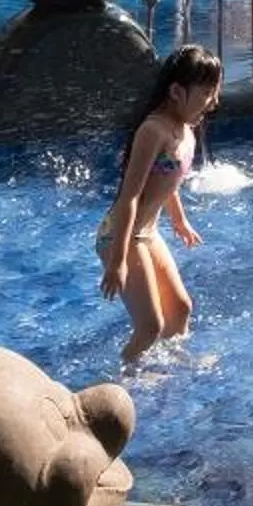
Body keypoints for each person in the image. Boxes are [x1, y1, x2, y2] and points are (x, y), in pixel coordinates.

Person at [99, 43, 223, 366]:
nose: (214, 102)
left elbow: (167, 180)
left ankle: (173, 366)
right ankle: (124, 380)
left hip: (147, 233)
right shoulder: (152, 131)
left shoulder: (185, 128)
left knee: (180, 309)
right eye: (207, 93)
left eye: (215, 92)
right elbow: (129, 196)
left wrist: (179, 220)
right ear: (177, 92)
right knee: (150, 326)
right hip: (121, 235)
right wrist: (117, 261)